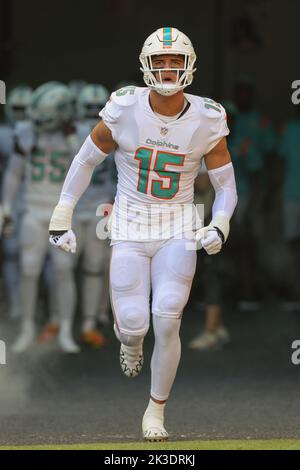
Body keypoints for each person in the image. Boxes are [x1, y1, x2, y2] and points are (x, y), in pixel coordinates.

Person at [48, 27, 237, 440]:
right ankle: (130, 342)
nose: (167, 69)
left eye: (174, 61)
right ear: (145, 65)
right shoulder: (124, 106)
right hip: (130, 224)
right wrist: (62, 212)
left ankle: (155, 412)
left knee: (168, 316)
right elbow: (85, 160)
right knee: (134, 323)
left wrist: (219, 223)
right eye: (159, 62)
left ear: (189, 66)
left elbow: (225, 186)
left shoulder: (208, 116)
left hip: (177, 225)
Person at [2, 81, 79, 353]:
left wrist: (72, 140)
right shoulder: (26, 132)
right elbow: (14, 172)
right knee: (29, 270)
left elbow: (84, 173)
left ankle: (66, 328)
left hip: (60, 214)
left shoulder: (75, 136)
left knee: (63, 270)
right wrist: (6, 207)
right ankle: (27, 327)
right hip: (33, 210)